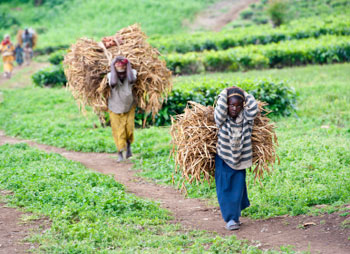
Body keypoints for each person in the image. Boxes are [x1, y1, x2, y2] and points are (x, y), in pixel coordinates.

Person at [214, 86, 259, 230]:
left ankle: (235, 214)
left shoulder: (246, 119)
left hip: (240, 160)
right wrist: (224, 93)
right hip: (224, 158)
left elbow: (253, 108)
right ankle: (231, 219)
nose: (235, 108)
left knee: (238, 188)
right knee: (225, 188)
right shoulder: (223, 119)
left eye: (239, 105)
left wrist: (243, 93)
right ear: (226, 105)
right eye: (231, 105)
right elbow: (219, 111)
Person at [107, 56, 137, 162]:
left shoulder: (131, 73)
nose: (122, 74)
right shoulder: (111, 75)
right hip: (114, 107)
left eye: (124, 67)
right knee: (118, 130)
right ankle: (119, 152)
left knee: (129, 129)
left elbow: (131, 79)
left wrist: (128, 63)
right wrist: (112, 65)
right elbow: (114, 83)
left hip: (129, 107)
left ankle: (128, 147)